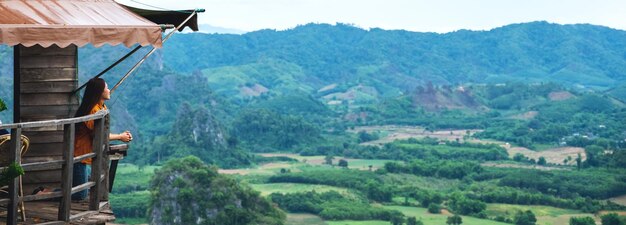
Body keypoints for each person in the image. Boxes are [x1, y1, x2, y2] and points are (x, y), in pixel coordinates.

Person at [73, 78, 132, 200]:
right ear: (99, 91)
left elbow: (101, 132)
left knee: (79, 190)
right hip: (78, 157)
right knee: (80, 194)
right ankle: (44, 194)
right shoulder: (93, 110)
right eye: (107, 88)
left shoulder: (100, 107)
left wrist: (121, 136)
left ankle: (45, 192)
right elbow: (99, 134)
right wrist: (120, 136)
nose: (109, 90)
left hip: (82, 156)